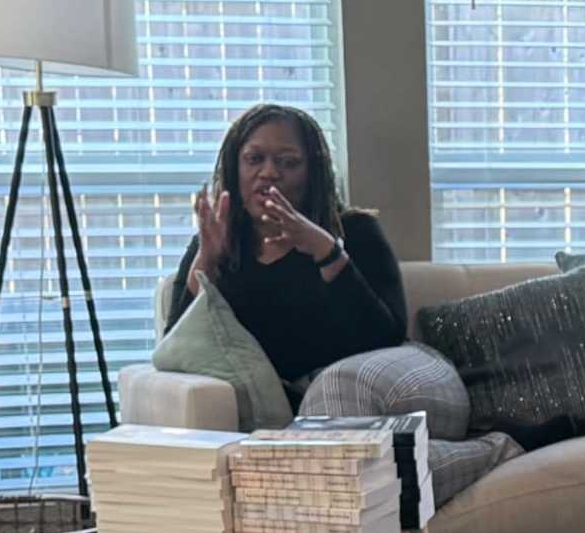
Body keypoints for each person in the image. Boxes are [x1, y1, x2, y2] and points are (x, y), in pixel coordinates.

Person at [157, 102, 406, 395]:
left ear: (312, 172)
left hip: (345, 395)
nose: (269, 172)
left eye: (288, 162)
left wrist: (326, 252)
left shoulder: (355, 231)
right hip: (257, 401)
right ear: (234, 168)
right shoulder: (213, 239)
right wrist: (207, 262)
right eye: (254, 159)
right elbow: (175, 348)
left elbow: (388, 338)